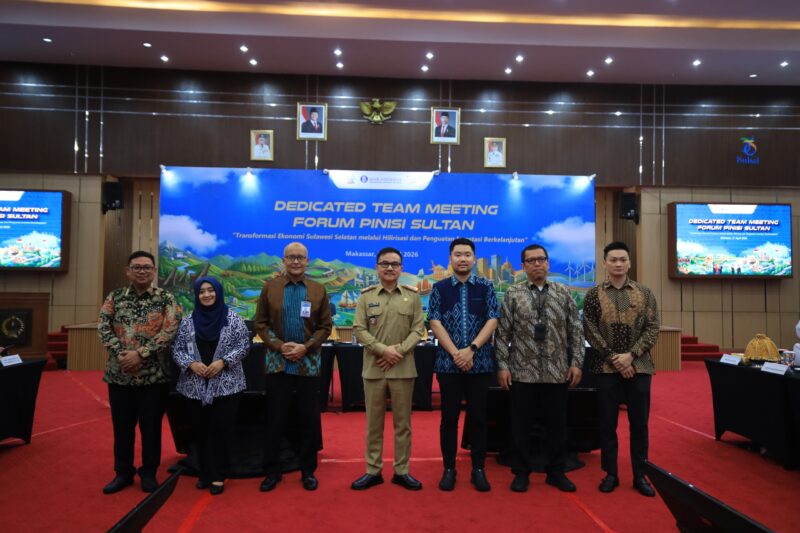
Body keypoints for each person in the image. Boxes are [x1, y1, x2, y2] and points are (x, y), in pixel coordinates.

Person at [496, 244, 584, 493]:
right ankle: (521, 472)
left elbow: (576, 331)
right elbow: (502, 334)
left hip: (556, 371)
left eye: (541, 259)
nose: (537, 264)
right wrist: (502, 366)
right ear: (523, 266)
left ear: (548, 263)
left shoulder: (563, 292)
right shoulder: (513, 293)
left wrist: (576, 362)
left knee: (557, 426)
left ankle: (556, 472)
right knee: (520, 427)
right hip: (522, 372)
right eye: (531, 261)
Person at [98, 250, 180, 494]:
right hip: (120, 374)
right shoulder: (115, 297)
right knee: (122, 428)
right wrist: (123, 355)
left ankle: (149, 473)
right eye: (137, 267)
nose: (142, 271)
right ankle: (123, 473)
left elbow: (169, 331)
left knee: (151, 429)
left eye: (147, 267)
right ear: (128, 271)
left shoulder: (166, 298)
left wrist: (141, 354)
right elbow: (103, 327)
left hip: (154, 377)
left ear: (154, 271)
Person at [583, 241, 660, 497]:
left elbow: (652, 328)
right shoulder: (593, 294)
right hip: (605, 368)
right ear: (605, 263)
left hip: (640, 366)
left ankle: (640, 475)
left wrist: (631, 356)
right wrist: (615, 359)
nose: (618, 264)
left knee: (640, 424)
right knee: (607, 424)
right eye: (613, 260)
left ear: (629, 263)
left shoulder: (645, 293)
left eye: (622, 259)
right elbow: (590, 330)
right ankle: (610, 473)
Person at [255, 242, 332, 492]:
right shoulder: (270, 287)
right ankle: (272, 471)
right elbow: (261, 323)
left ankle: (308, 470)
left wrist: (305, 347)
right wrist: (280, 346)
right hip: (277, 362)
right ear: (283, 261)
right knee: (275, 419)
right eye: (291, 257)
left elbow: (325, 327)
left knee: (308, 419)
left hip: (308, 363)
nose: (296, 261)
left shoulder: (318, 289)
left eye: (300, 257)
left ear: (307, 261)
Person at [351, 247, 425, 491]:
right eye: (385, 264)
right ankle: (373, 471)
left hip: (403, 369)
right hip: (374, 369)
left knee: (403, 425)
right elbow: (359, 329)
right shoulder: (366, 297)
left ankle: (402, 471)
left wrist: (398, 352)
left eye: (395, 264)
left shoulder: (412, 296)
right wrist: (383, 351)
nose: (390, 268)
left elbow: (418, 329)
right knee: (374, 424)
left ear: (401, 268)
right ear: (377, 267)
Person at [428, 238, 499, 492]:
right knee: (448, 418)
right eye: (457, 254)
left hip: (480, 363)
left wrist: (471, 350)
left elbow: (493, 319)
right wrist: (456, 353)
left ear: (474, 258)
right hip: (448, 364)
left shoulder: (486, 286)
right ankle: (449, 469)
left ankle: (478, 469)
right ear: (450, 259)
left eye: (467, 254)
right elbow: (434, 321)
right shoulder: (439, 288)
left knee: (478, 418)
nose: (462, 259)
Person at [172, 276, 250, 495]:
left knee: (221, 431)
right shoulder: (188, 321)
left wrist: (223, 362)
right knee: (200, 431)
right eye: (201, 291)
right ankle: (204, 472)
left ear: (218, 292)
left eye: (211, 290)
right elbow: (177, 349)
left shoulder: (233, 319)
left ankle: (218, 475)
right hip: (194, 386)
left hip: (226, 386)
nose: (206, 295)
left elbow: (244, 345)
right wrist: (191, 364)